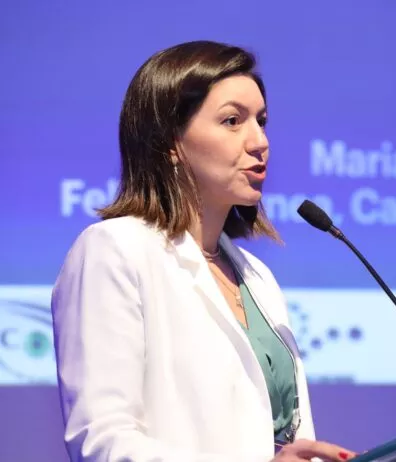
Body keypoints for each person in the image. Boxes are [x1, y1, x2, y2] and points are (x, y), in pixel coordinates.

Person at [51, 40, 357, 462]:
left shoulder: (257, 276)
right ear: (171, 141)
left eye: (262, 121)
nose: (260, 141)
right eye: (232, 121)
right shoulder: (114, 250)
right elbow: (101, 441)